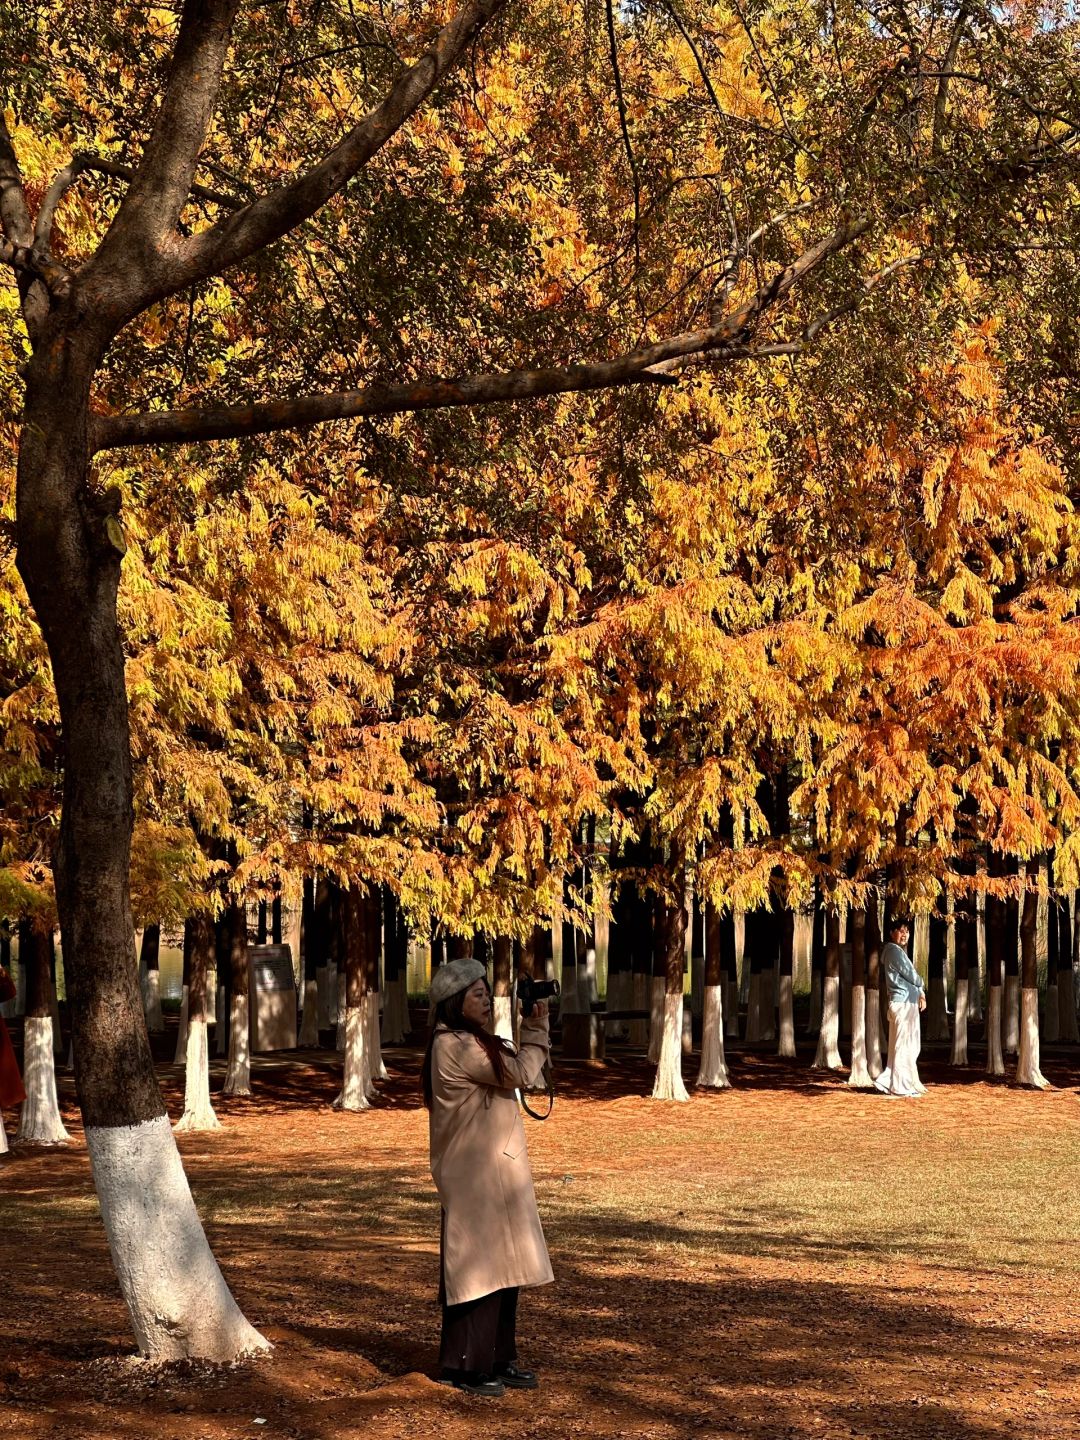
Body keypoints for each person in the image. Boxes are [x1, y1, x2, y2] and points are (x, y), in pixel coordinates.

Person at [421, 957, 554, 1398]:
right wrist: (535, 1032)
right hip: (473, 1174)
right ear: (455, 1003)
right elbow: (518, 1073)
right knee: (477, 1271)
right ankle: (464, 1366)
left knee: (505, 1267)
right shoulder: (454, 1045)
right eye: (476, 994)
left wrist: (526, 1029)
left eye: (484, 991)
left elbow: (508, 1066)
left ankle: (498, 1357)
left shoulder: (471, 1040)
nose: (485, 1001)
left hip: (494, 1171)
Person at [874, 918, 927, 1097]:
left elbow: (910, 977)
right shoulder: (894, 951)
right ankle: (900, 1087)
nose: (904, 934)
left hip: (906, 1003)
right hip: (902, 1003)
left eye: (907, 931)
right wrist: (921, 983)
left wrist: (920, 992)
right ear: (892, 933)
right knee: (904, 1045)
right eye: (900, 931)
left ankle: (888, 1082)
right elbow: (911, 975)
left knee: (906, 1045)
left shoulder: (898, 952)